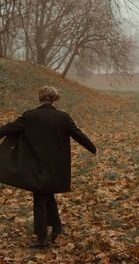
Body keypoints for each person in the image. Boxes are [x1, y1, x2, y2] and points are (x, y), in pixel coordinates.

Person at [0, 85, 96, 248]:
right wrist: (93, 148)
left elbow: (8, 128)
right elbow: (78, 134)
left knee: (40, 199)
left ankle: (42, 238)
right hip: (56, 167)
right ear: (55, 99)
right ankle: (57, 228)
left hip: (36, 165)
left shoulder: (30, 116)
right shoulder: (63, 117)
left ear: (40, 98)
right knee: (47, 195)